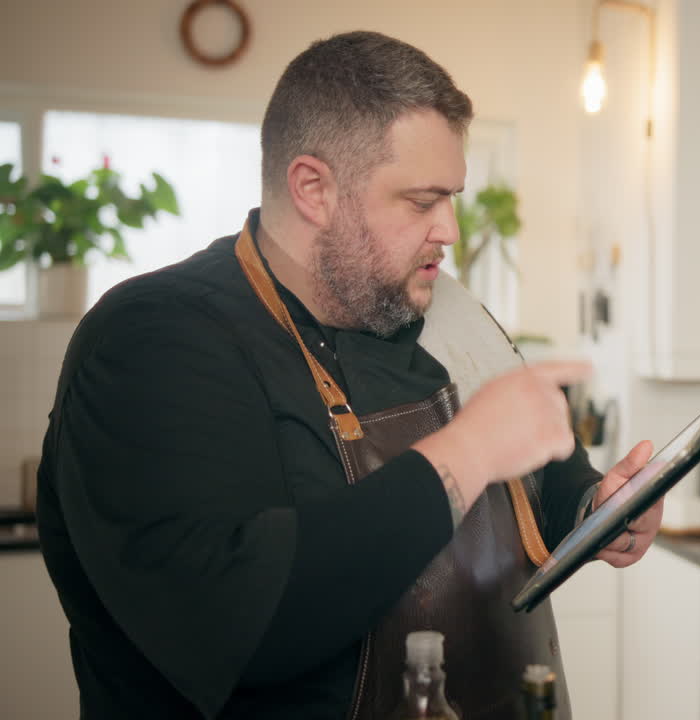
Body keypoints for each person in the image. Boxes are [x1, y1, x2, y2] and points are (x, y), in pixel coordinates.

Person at [36, 30, 662, 720]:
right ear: (313, 189)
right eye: (422, 202)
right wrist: (470, 445)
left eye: (452, 197)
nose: (450, 230)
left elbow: (532, 486)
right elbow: (235, 623)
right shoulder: (152, 341)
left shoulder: (441, 309)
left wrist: (594, 509)